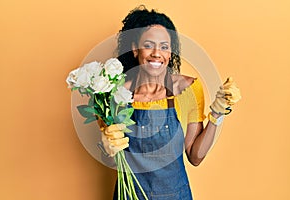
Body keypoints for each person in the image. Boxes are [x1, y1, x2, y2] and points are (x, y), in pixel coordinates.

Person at [100, 5, 241, 199]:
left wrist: (217, 114)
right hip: (130, 196)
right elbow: (114, 160)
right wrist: (107, 147)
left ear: (170, 53)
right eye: (149, 45)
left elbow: (195, 156)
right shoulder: (116, 93)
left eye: (164, 47)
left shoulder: (188, 89)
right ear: (135, 49)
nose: (157, 53)